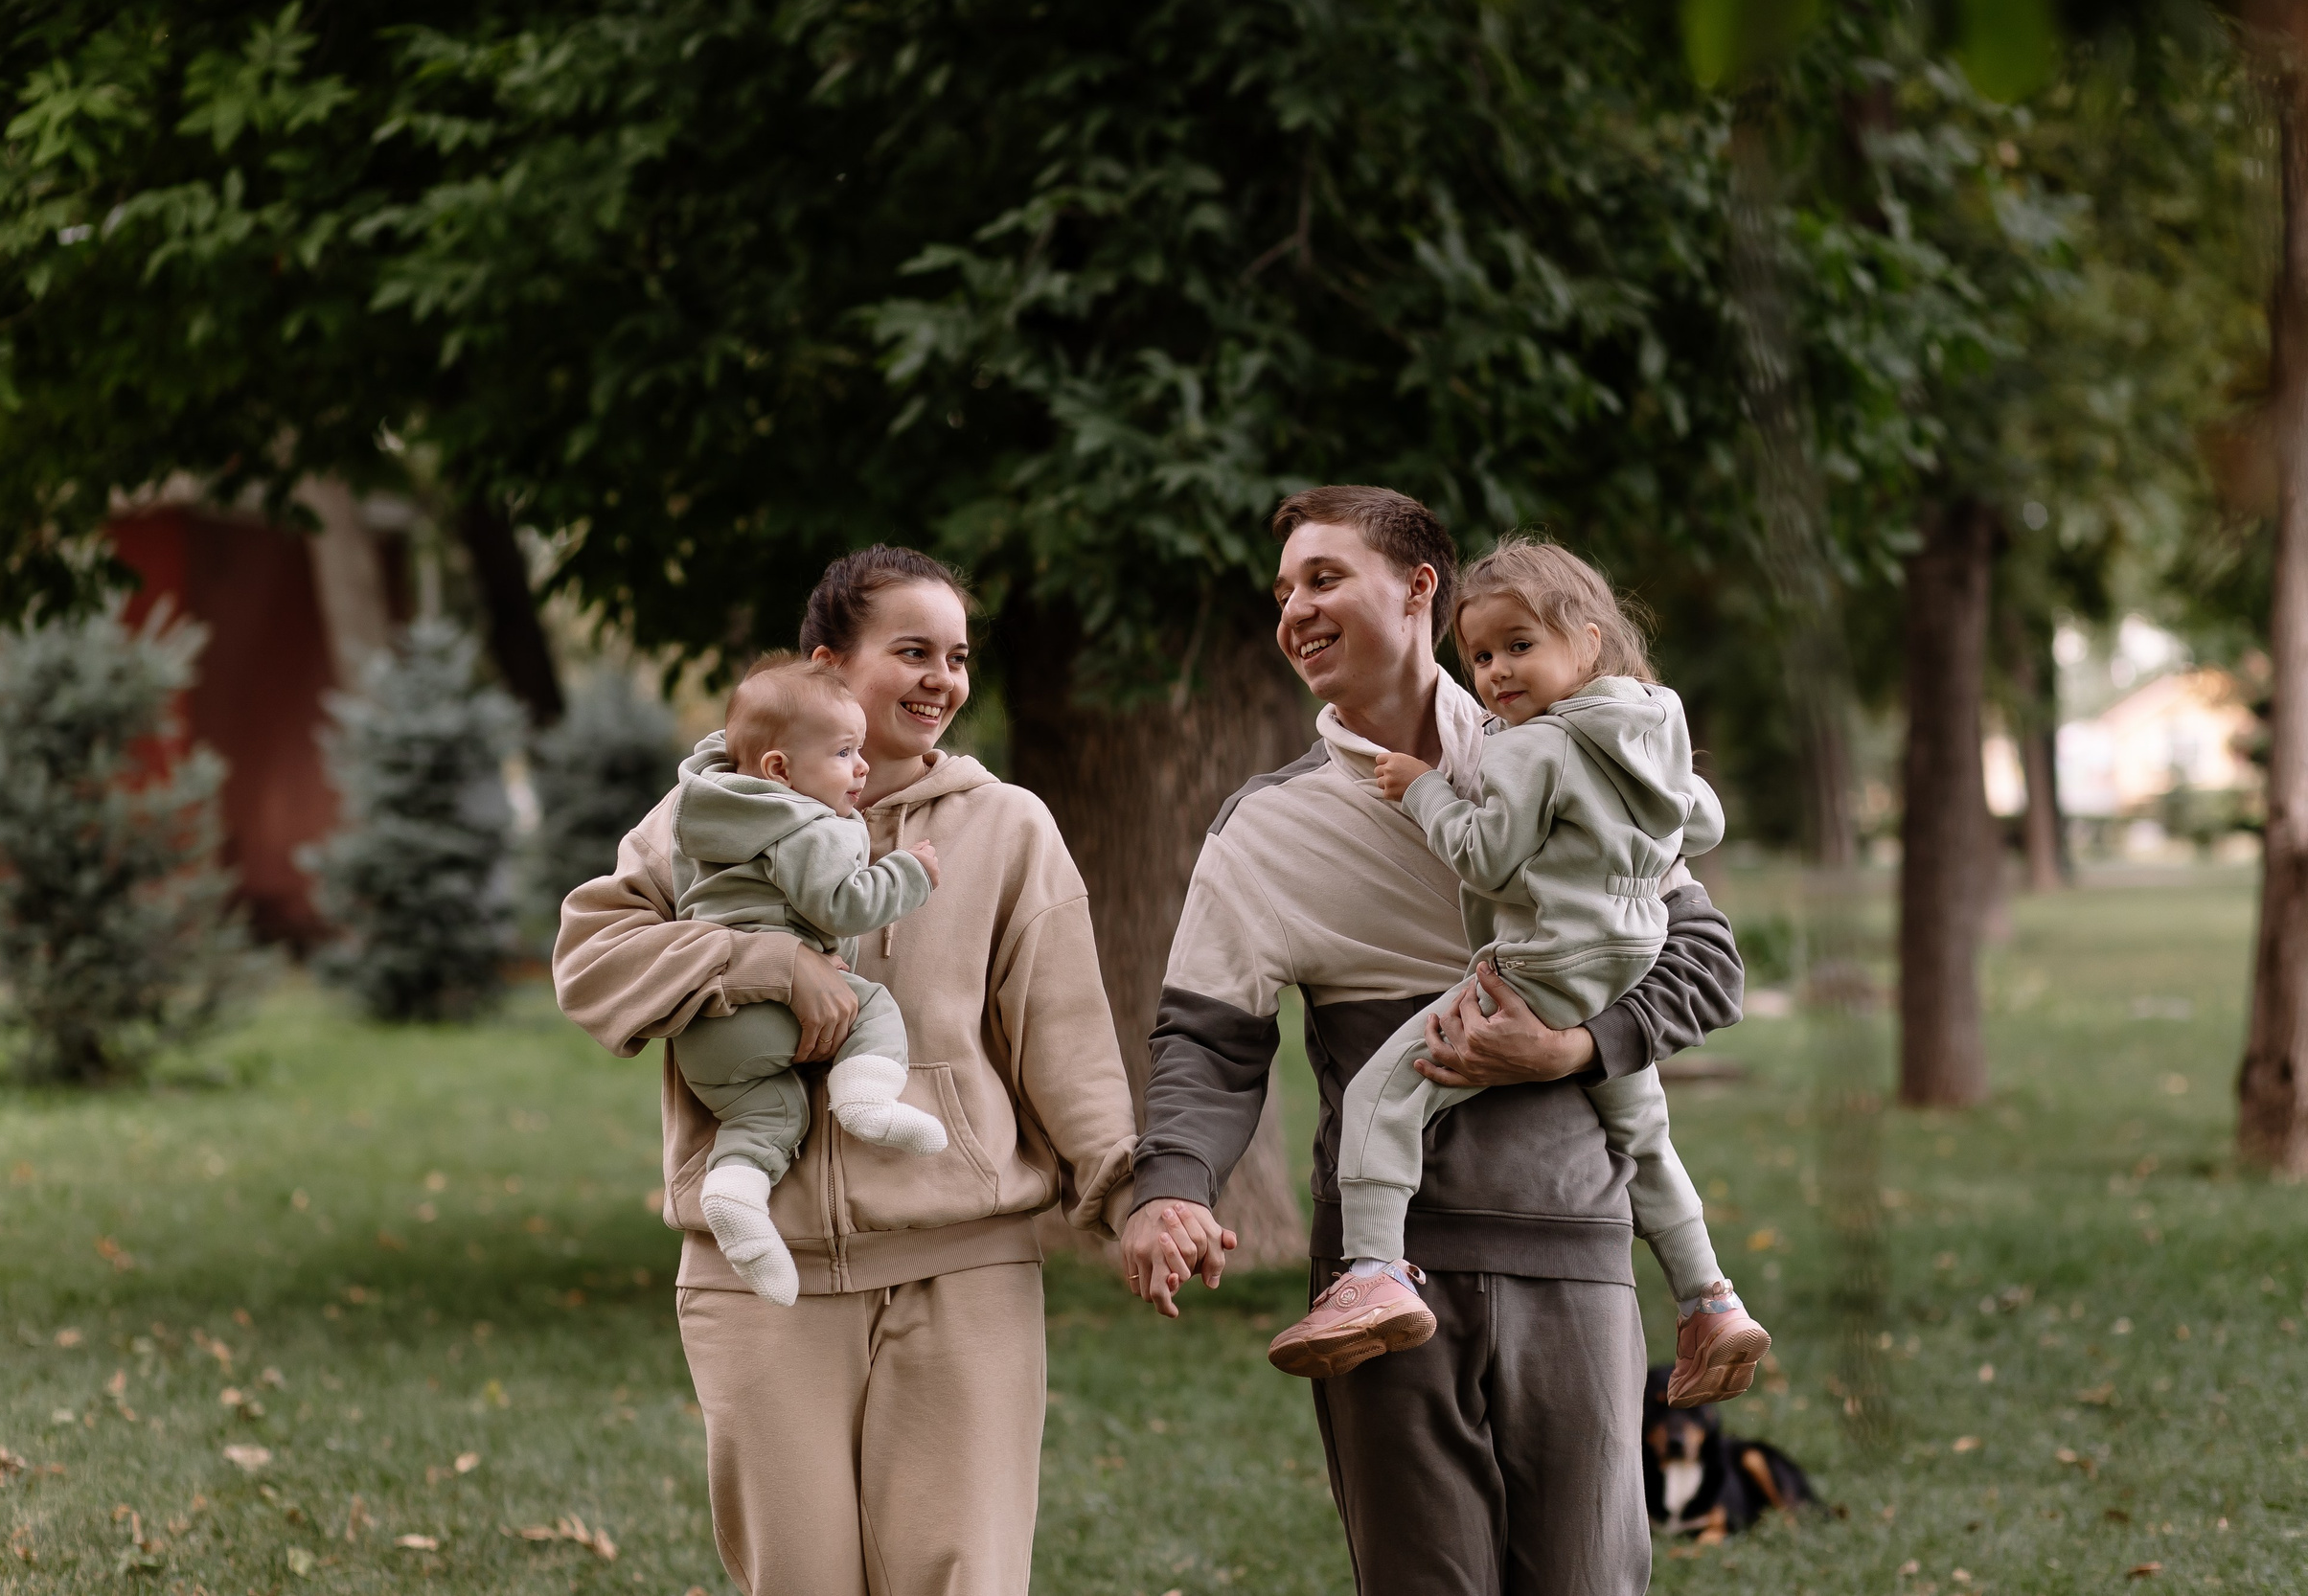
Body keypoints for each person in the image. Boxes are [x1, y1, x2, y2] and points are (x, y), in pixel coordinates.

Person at [1122, 487, 1746, 1596]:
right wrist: (1172, 1185)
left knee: (1590, 1580)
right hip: (1383, 1281)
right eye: (1282, 591)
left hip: (1572, 1248)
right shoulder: (1264, 826)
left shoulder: (1583, 757)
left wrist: (1571, 1049)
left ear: (1419, 591)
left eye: (1324, 579)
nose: (1295, 609)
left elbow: (1704, 964)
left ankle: (1708, 1297)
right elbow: (1207, 1041)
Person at [554, 547, 1137, 1596]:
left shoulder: (1006, 825)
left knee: (963, 1579)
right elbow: (590, 964)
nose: (942, 679)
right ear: (829, 664)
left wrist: (1134, 1200)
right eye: (913, 651)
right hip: (757, 1274)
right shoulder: (700, 819)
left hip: (963, 1270)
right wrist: (761, 962)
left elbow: (1067, 1041)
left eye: (957, 656)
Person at [1266, 536, 1771, 1413]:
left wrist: (1425, 788)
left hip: (1546, 962)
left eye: (1519, 645)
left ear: (1587, 641)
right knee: (1645, 1137)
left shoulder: (1532, 746)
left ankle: (1375, 1270)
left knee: (1384, 1093)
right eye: (1481, 655)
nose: (1497, 671)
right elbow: (1704, 826)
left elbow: (1490, 859)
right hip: (1629, 959)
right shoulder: (1656, 723)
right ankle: (1711, 1299)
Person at [669, 655, 950, 1307]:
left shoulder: (707, 818)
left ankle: (736, 1191)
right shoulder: (804, 823)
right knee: (871, 1005)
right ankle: (865, 1098)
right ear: (779, 769)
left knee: (770, 1115)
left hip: (704, 1032)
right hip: (771, 1010)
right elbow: (841, 905)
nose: (861, 767)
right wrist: (908, 872)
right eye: (845, 753)